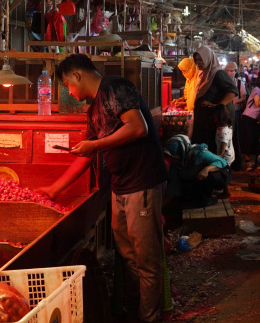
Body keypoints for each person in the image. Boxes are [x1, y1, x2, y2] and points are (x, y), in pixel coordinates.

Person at [38, 54, 167, 323]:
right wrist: (54, 188)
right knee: (128, 257)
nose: (70, 92)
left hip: (142, 183)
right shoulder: (94, 108)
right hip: (121, 187)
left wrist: (95, 145)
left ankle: (150, 318)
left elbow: (139, 127)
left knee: (147, 260)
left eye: (67, 85)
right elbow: (85, 156)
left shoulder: (114, 88)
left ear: (77, 75)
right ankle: (135, 313)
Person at [190, 46, 238, 154]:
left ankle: (215, 169)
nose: (198, 63)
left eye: (201, 59)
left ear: (208, 58)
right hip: (206, 119)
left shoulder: (218, 73)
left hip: (215, 120)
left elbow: (232, 91)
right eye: (196, 60)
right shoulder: (203, 75)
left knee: (214, 147)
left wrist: (218, 106)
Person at [163, 134, 230, 210]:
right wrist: (159, 207)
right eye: (168, 157)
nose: (170, 160)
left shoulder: (198, 153)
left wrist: (207, 169)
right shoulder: (176, 164)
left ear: (181, 152)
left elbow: (222, 162)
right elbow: (174, 188)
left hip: (219, 175)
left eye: (172, 157)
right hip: (195, 182)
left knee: (209, 175)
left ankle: (205, 200)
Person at [241, 71, 260, 170]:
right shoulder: (257, 90)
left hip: (257, 120)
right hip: (248, 118)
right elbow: (257, 103)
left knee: (256, 141)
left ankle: (257, 162)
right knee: (248, 140)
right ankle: (248, 162)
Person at [223, 62, 245, 169]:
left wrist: (236, 102)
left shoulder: (239, 83)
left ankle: (236, 162)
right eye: (229, 71)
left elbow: (244, 96)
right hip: (225, 113)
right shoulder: (222, 82)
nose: (231, 73)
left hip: (235, 112)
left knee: (234, 137)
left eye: (233, 71)